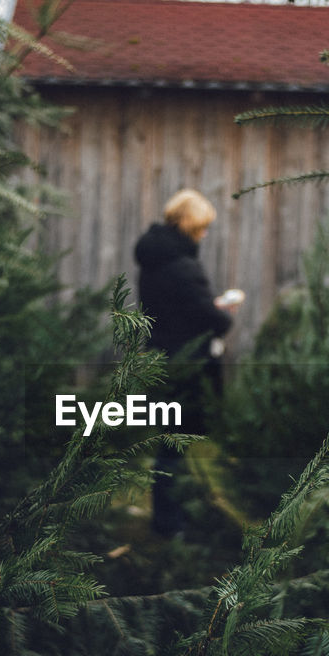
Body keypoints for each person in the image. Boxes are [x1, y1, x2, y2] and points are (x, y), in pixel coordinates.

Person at [134, 188, 240, 537]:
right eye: (200, 228)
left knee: (170, 441)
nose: (204, 235)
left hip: (160, 359)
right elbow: (209, 319)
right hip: (185, 367)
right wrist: (223, 313)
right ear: (187, 225)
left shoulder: (152, 261)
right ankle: (171, 523)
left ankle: (170, 517)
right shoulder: (182, 267)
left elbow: (174, 312)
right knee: (176, 447)